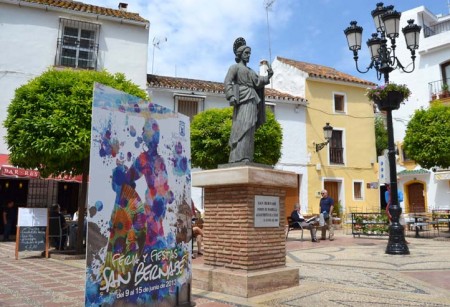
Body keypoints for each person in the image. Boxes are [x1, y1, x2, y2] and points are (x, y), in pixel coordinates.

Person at [224, 37, 273, 163]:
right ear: (239, 54)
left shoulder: (251, 71)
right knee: (242, 125)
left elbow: (258, 82)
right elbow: (227, 82)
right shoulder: (234, 68)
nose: (248, 55)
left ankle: (247, 156)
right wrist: (231, 96)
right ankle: (237, 156)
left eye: (249, 53)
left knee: (250, 127)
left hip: (252, 99)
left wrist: (268, 76)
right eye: (246, 53)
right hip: (242, 98)